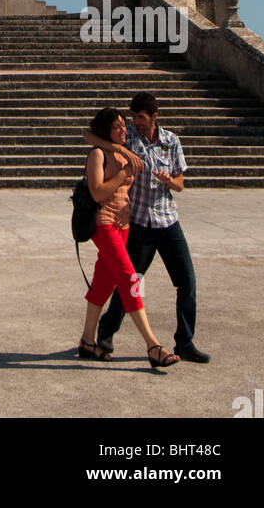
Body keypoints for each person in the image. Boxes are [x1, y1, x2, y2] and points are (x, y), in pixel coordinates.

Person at [84, 91, 208, 362]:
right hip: (138, 222)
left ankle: (185, 342)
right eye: (133, 118)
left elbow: (180, 183)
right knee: (129, 280)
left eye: (140, 117)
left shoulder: (171, 140)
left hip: (167, 220)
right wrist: (119, 149)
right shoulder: (127, 136)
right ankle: (112, 333)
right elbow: (91, 136)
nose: (135, 123)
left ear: (154, 116)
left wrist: (169, 181)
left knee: (187, 282)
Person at [79, 106, 179, 368]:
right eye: (117, 127)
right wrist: (123, 167)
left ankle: (88, 341)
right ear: (106, 130)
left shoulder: (128, 145)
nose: (123, 130)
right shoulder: (98, 154)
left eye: (124, 125)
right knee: (129, 279)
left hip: (123, 225)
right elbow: (98, 193)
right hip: (104, 224)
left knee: (103, 282)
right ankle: (152, 345)